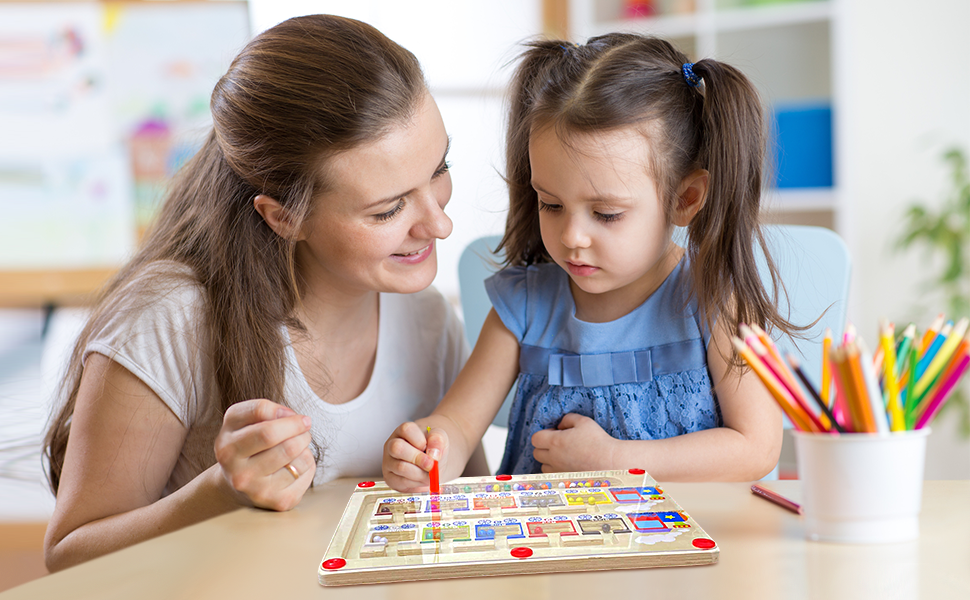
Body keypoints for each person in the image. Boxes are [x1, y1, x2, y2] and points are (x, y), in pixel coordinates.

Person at [41, 14, 484, 572]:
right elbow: (69, 557)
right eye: (387, 209)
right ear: (284, 217)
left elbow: (476, 516)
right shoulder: (171, 318)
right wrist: (219, 492)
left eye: (439, 168)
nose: (439, 225)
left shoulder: (427, 319)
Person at [383, 33, 807, 491]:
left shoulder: (713, 300)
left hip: (683, 551)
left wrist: (613, 460)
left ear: (685, 199)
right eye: (550, 203)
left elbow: (755, 447)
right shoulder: (524, 307)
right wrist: (427, 453)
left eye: (606, 214)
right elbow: (459, 425)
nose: (571, 237)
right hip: (550, 553)